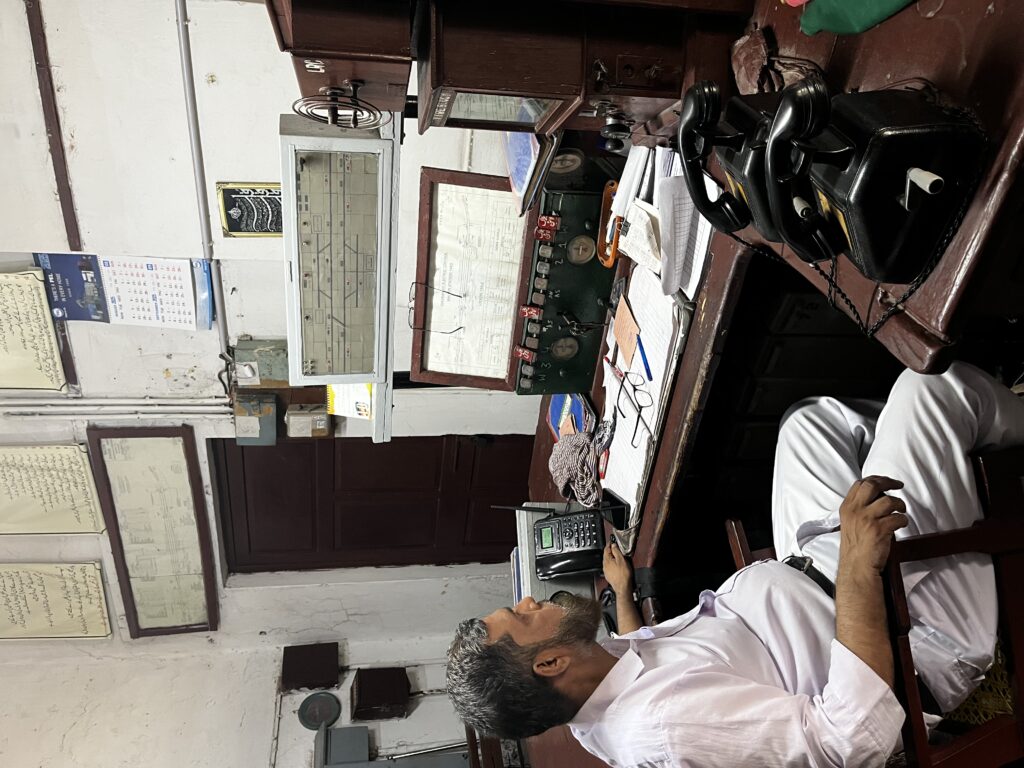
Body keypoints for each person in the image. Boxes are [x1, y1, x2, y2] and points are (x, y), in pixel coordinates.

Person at [446, 362, 1024, 767]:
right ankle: (995, 416)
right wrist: (854, 568)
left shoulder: (592, 690)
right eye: (519, 616)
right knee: (930, 387)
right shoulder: (666, 728)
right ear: (548, 661)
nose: (530, 599)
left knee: (808, 422)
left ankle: (954, 446)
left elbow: (641, 654)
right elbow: (853, 741)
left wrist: (623, 595)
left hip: (820, 576)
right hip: (905, 632)